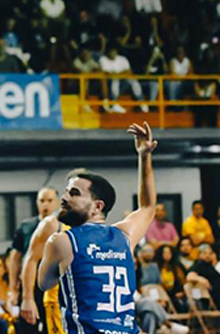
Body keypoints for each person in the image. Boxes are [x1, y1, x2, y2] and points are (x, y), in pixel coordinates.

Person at [39, 122, 160, 334]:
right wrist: (144, 157)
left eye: (74, 193)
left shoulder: (62, 241)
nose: (64, 198)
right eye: (66, 192)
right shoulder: (124, 236)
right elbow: (148, 207)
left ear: (97, 206)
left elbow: (44, 283)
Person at [8, 187, 58, 326]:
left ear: (57, 203)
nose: (45, 204)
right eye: (42, 201)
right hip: (29, 282)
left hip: (51, 285)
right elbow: (16, 257)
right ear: (37, 203)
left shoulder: (63, 226)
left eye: (49, 200)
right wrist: (13, 288)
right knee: (28, 324)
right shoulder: (26, 226)